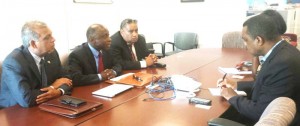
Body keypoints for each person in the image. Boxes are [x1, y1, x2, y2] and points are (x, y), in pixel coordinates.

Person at [218, 10, 300, 126]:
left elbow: (260, 112)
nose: (244, 45)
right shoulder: (283, 51)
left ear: (259, 40)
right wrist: (237, 85)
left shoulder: (282, 63)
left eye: (245, 40)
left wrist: (231, 96)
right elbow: (268, 84)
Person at [0, 21, 72, 108]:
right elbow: (26, 99)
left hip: (44, 105)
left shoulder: (51, 53)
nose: (53, 39)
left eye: (51, 35)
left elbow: (66, 79)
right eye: (47, 37)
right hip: (14, 112)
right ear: (33, 44)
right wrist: (53, 86)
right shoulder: (13, 62)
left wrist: (59, 91)